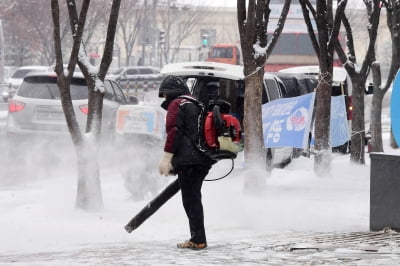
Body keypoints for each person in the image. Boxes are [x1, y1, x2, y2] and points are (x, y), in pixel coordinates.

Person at [158, 75, 214, 250]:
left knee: (191, 200)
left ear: (170, 92)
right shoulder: (194, 103)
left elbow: (174, 132)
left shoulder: (177, 104)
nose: (165, 99)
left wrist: (167, 158)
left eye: (164, 94)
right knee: (194, 198)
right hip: (202, 159)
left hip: (190, 160)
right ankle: (198, 238)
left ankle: (198, 240)